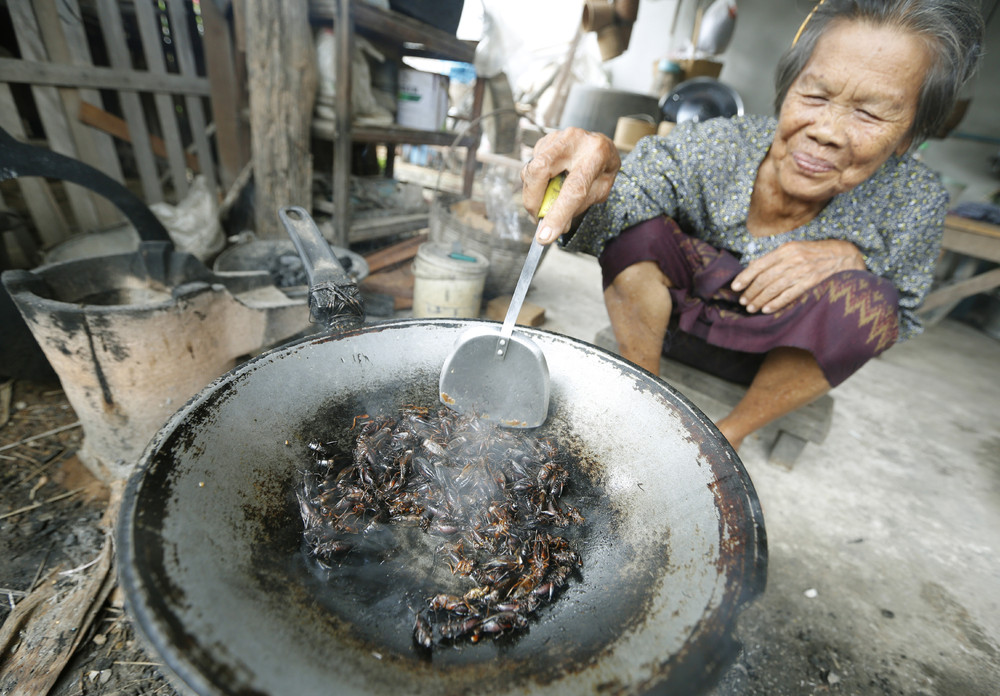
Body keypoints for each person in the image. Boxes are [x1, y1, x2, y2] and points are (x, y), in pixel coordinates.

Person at [520, 0, 984, 451]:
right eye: (815, 95)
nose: (825, 130)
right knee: (636, 230)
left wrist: (857, 259)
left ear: (908, 136)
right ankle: (644, 400)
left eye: (870, 113)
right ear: (788, 89)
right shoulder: (719, 145)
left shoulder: (914, 198)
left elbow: (902, 311)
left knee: (872, 306)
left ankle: (731, 434)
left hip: (774, 358)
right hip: (666, 327)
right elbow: (619, 205)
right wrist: (588, 181)